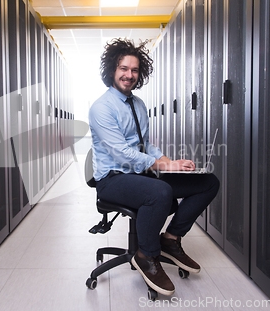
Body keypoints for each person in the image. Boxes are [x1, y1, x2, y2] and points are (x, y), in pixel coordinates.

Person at [88, 38, 220, 296]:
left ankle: (170, 240)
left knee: (207, 183)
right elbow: (123, 154)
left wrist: (172, 163)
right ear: (112, 71)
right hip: (112, 179)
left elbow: (144, 144)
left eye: (134, 70)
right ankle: (146, 256)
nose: (129, 75)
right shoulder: (101, 108)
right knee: (159, 192)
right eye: (123, 69)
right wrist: (160, 164)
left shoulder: (138, 104)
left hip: (139, 172)